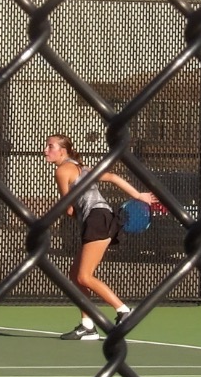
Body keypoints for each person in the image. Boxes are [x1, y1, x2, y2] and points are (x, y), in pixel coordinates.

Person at [44, 134, 158, 340]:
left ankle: (124, 311)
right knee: (75, 274)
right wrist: (139, 195)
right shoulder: (83, 167)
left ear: (63, 150)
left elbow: (68, 208)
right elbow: (113, 177)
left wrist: (56, 214)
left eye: (50, 146)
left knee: (84, 276)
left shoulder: (62, 171)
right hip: (101, 217)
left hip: (96, 219)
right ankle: (87, 326)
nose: (46, 150)